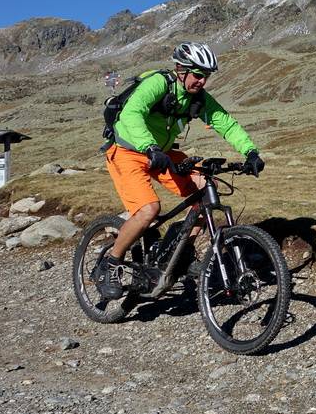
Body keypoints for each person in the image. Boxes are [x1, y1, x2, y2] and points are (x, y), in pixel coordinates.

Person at [94, 42, 265, 299]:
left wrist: (251, 152)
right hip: (128, 151)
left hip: (161, 153)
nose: (202, 82)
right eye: (197, 75)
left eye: (206, 76)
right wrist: (149, 146)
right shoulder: (158, 84)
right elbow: (132, 113)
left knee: (206, 190)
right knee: (149, 209)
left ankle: (179, 252)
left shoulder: (198, 98)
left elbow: (226, 124)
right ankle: (110, 263)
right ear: (181, 70)